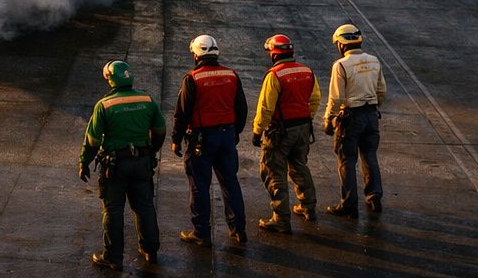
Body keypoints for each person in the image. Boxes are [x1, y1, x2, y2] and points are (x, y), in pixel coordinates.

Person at [79, 60, 166, 270]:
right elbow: (160, 129)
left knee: (113, 210)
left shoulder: (104, 105)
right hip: (142, 162)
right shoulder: (147, 100)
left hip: (115, 166)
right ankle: (150, 251)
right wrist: (151, 151)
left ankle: (113, 257)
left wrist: (84, 162)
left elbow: (93, 140)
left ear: (110, 80)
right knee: (144, 206)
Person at [171, 34, 249, 248]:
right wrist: (234, 133)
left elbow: (182, 113)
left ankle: (201, 233)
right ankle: (238, 229)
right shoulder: (232, 75)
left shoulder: (192, 79)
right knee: (230, 182)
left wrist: (176, 139)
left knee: (199, 186)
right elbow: (242, 109)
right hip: (227, 137)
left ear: (196, 55)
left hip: (201, 140)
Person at [252, 34, 321, 233]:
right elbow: (315, 99)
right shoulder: (307, 71)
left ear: (274, 54)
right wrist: (306, 117)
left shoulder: (274, 75)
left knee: (274, 171)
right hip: (303, 128)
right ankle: (308, 207)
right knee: (299, 165)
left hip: (280, 131)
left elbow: (265, 108)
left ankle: (280, 219)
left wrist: (257, 131)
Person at [323, 23, 386, 218]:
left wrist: (329, 119)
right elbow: (382, 90)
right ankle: (374, 197)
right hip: (371, 115)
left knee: (347, 160)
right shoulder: (374, 61)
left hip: (351, 118)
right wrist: (372, 107)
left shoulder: (341, 65)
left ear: (341, 44)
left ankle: (349, 205)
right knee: (370, 155)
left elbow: (336, 98)